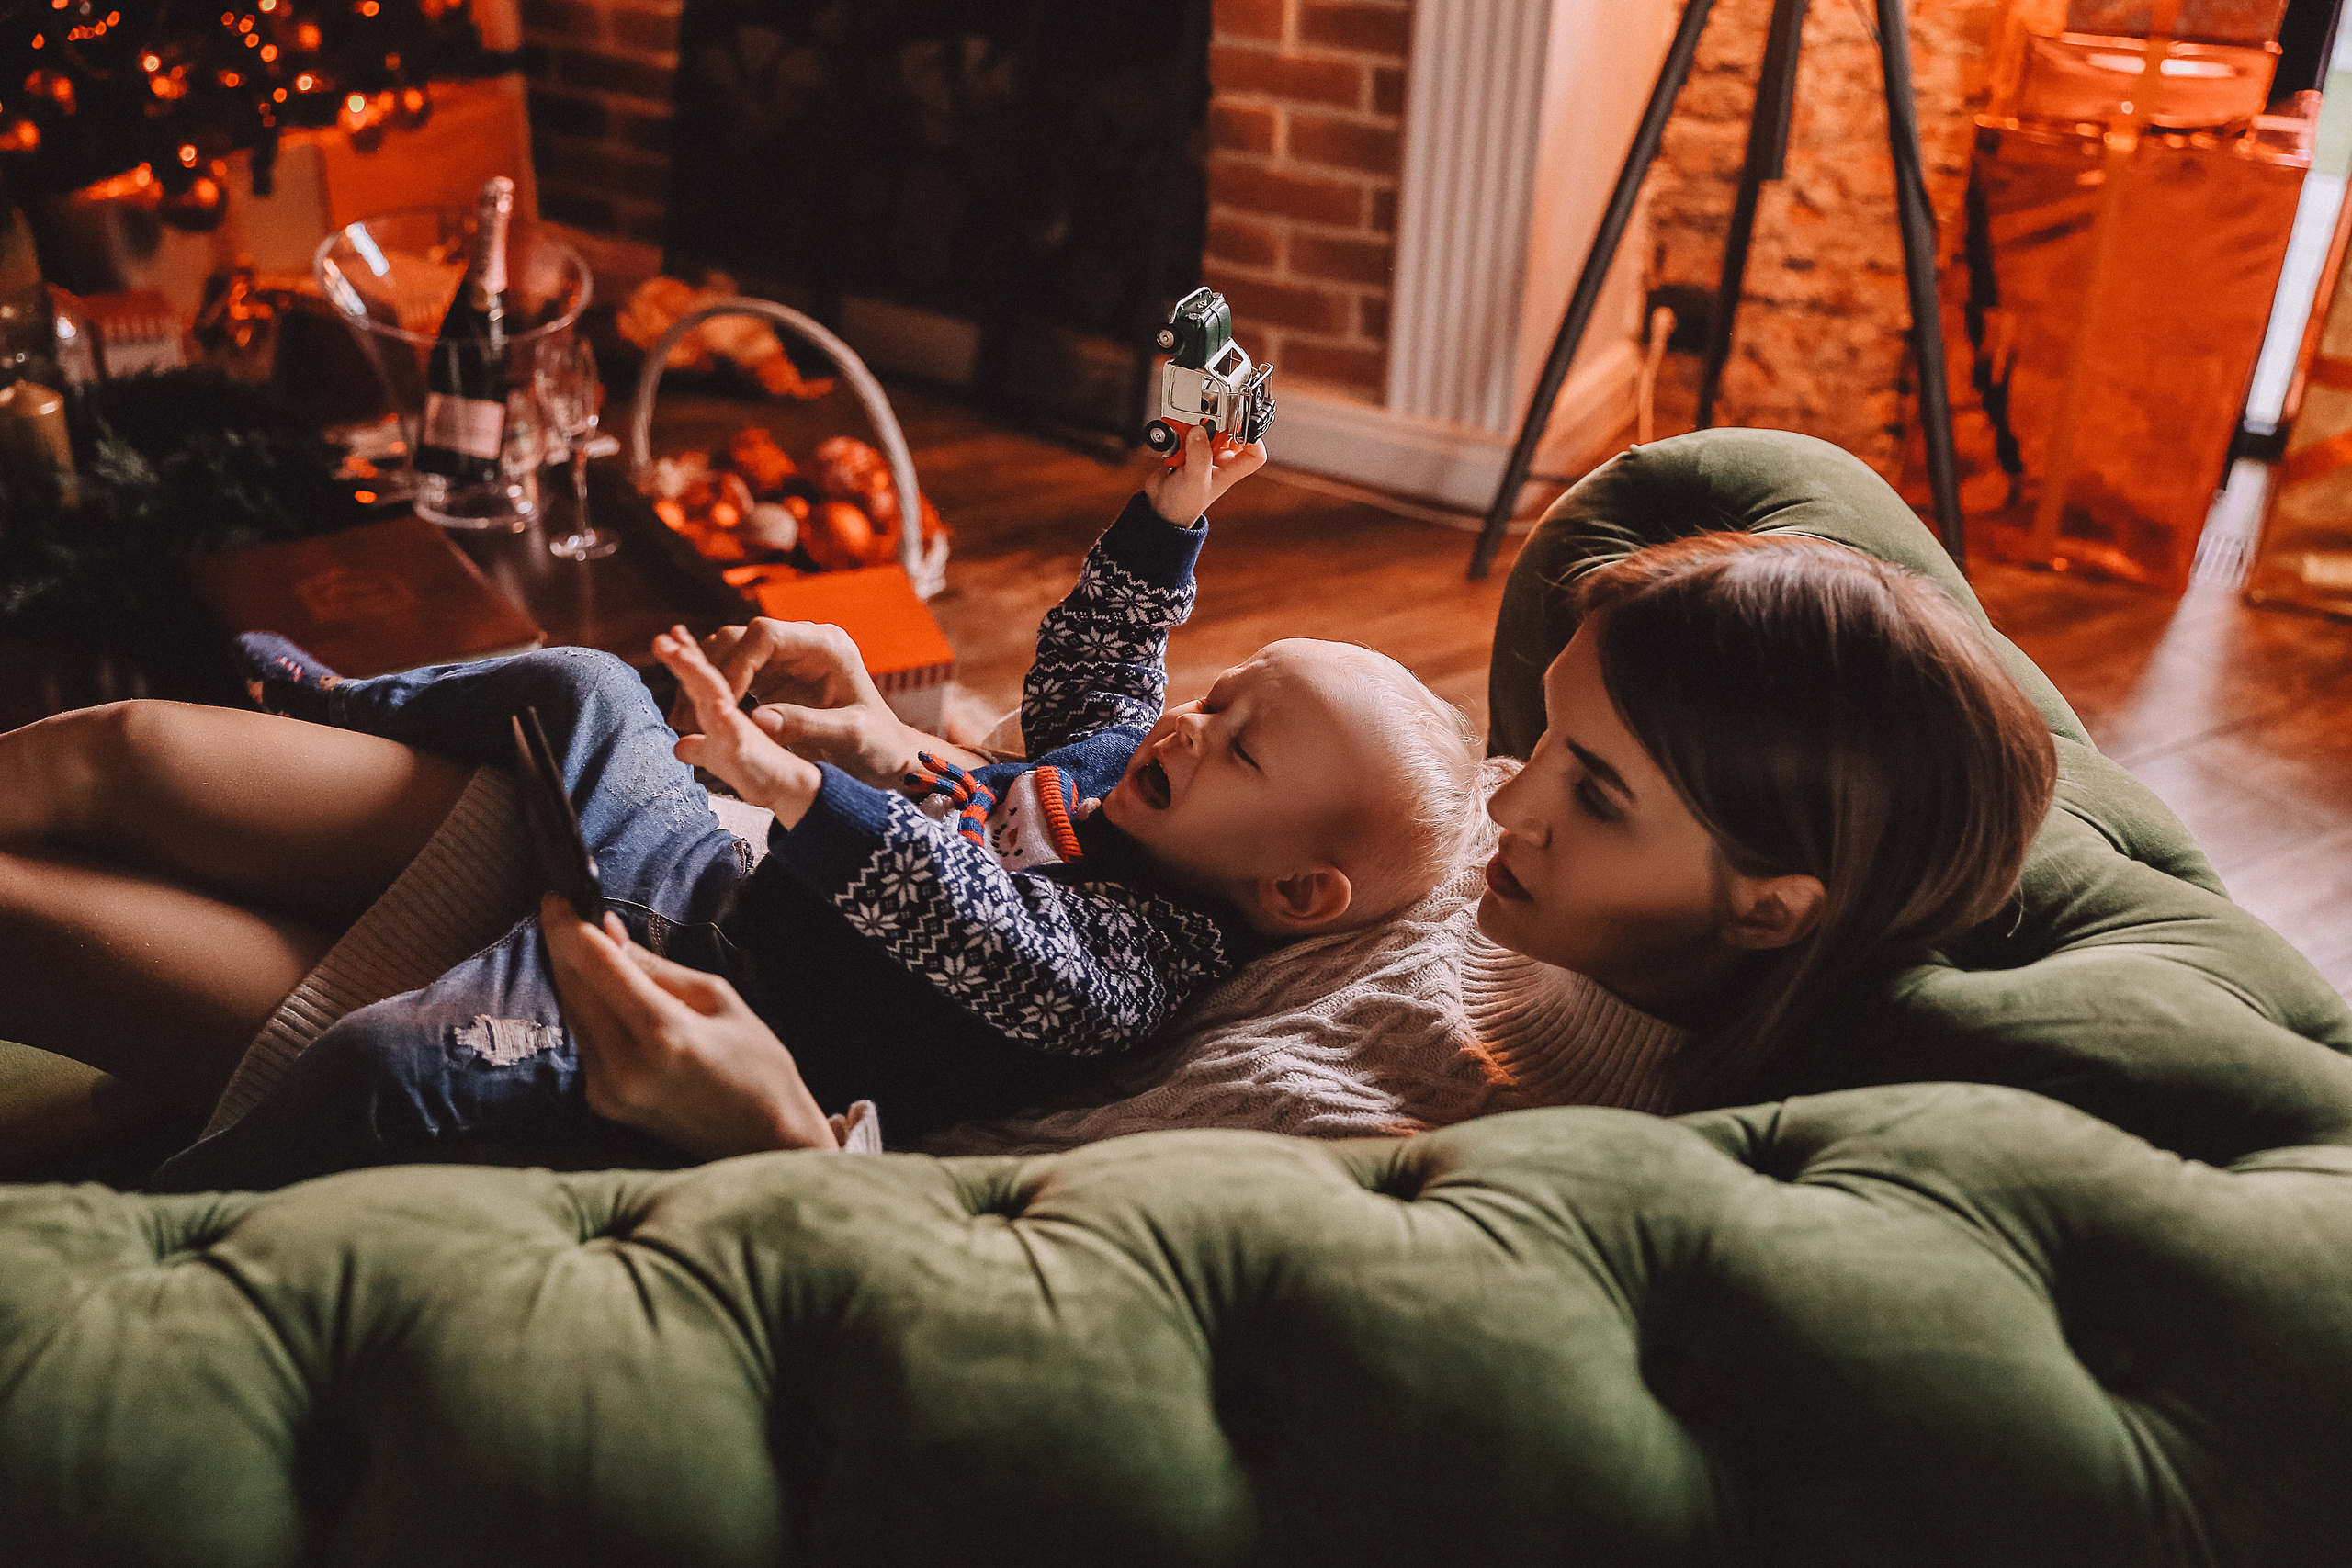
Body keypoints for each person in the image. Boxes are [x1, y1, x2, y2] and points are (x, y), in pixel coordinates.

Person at [0, 424, 1485, 1185]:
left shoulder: (1145, 957)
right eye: (1226, 691)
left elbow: (978, 926)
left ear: (1298, 893)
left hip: (702, 989)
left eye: (1240, 750)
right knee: (586, 679)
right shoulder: (1119, 774)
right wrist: (1172, 522)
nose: (1191, 719)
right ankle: (330, 702)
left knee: (397, 1067)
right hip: (688, 869)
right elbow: (1105, 665)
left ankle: (183, 1214)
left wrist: (807, 784)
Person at [530, 523, 2060, 1156]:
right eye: (1544, 737)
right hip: (793, 915)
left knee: (366, 1020)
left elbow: (1018, 1287)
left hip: (755, 1093)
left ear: (1771, 911)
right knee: (551, 716)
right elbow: (1098, 806)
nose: (1504, 802)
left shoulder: (1422, 1116)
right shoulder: (1497, 869)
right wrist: (909, 745)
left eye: (1592, 795)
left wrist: (771, 1141)